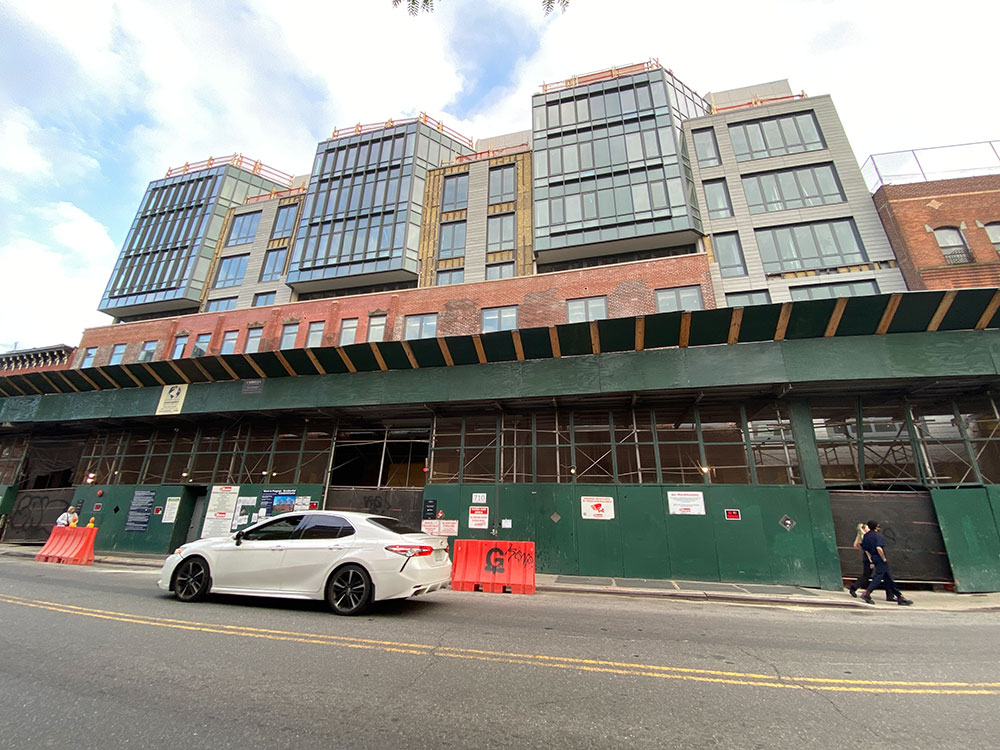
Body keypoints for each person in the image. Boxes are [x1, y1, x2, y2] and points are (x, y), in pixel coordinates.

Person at [860, 520, 913, 606]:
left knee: (888, 578)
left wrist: (871, 559)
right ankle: (867, 593)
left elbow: (865, 549)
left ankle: (900, 597)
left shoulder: (866, 536)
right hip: (880, 558)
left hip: (873, 557)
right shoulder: (878, 536)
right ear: (876, 527)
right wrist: (883, 558)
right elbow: (879, 548)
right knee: (878, 576)